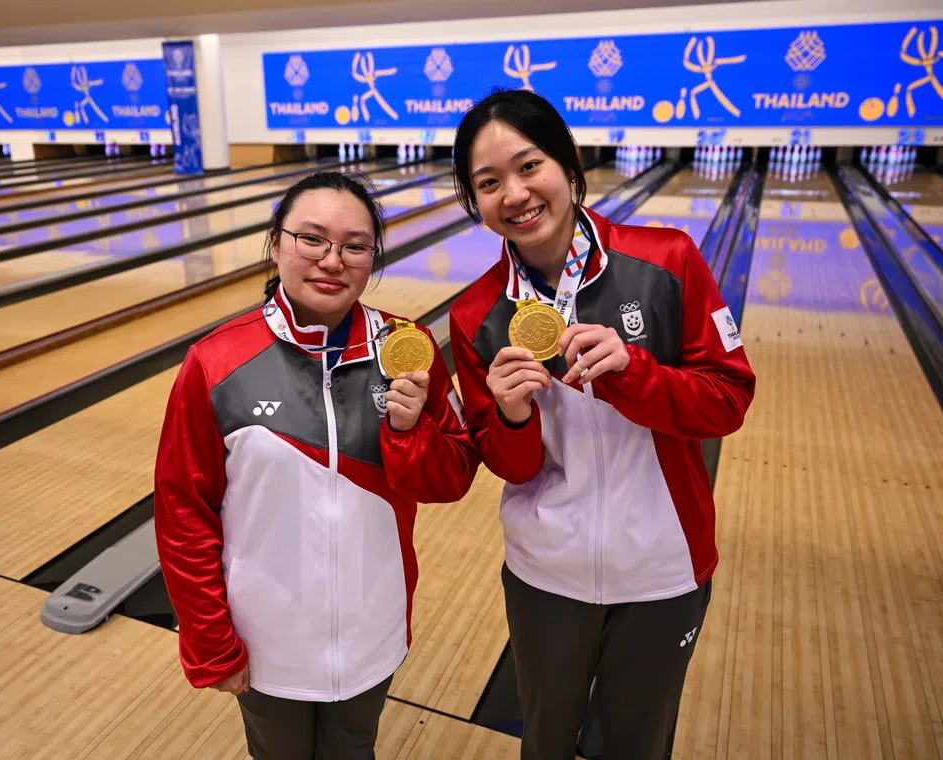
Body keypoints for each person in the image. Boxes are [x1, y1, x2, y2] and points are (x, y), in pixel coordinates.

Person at [447, 88, 756, 759]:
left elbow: (728, 399)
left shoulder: (667, 261)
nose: (516, 194)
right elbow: (513, 465)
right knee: (546, 741)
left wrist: (635, 373)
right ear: (476, 203)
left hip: (663, 568)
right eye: (489, 182)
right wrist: (511, 415)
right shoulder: (476, 314)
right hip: (545, 573)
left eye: (530, 167)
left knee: (636, 746)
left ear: (568, 162)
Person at [153, 170, 479, 760]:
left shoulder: (409, 349)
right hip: (264, 641)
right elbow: (183, 512)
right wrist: (210, 641)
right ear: (276, 243)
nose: (333, 260)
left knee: (355, 749)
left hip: (372, 633)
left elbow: (453, 477)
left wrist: (409, 434)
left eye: (355, 246)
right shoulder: (214, 362)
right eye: (312, 239)